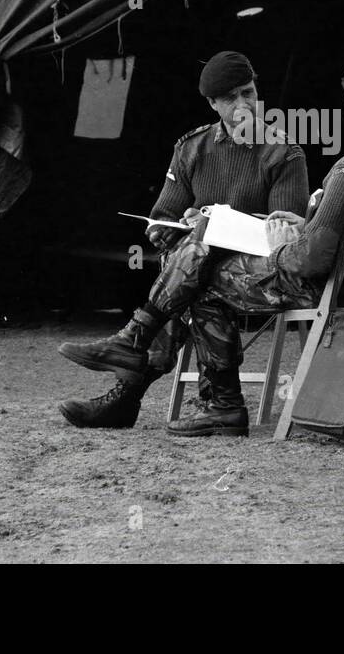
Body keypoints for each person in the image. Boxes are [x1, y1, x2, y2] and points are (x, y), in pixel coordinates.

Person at [61, 57, 344, 438]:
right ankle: (168, 381)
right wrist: (302, 225)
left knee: (200, 274)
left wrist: (277, 249)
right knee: (196, 261)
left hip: (321, 284)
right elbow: (330, 232)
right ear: (213, 103)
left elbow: (309, 259)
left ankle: (186, 382)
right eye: (231, 97)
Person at [57, 51, 307, 428]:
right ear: (211, 103)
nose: (243, 105)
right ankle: (217, 404)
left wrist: (216, 224)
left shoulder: (283, 153)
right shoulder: (191, 148)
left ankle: (132, 361)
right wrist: (173, 227)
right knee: (198, 272)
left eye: (249, 93)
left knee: (199, 265)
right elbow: (162, 219)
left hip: (259, 275)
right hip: (202, 273)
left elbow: (283, 239)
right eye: (230, 98)